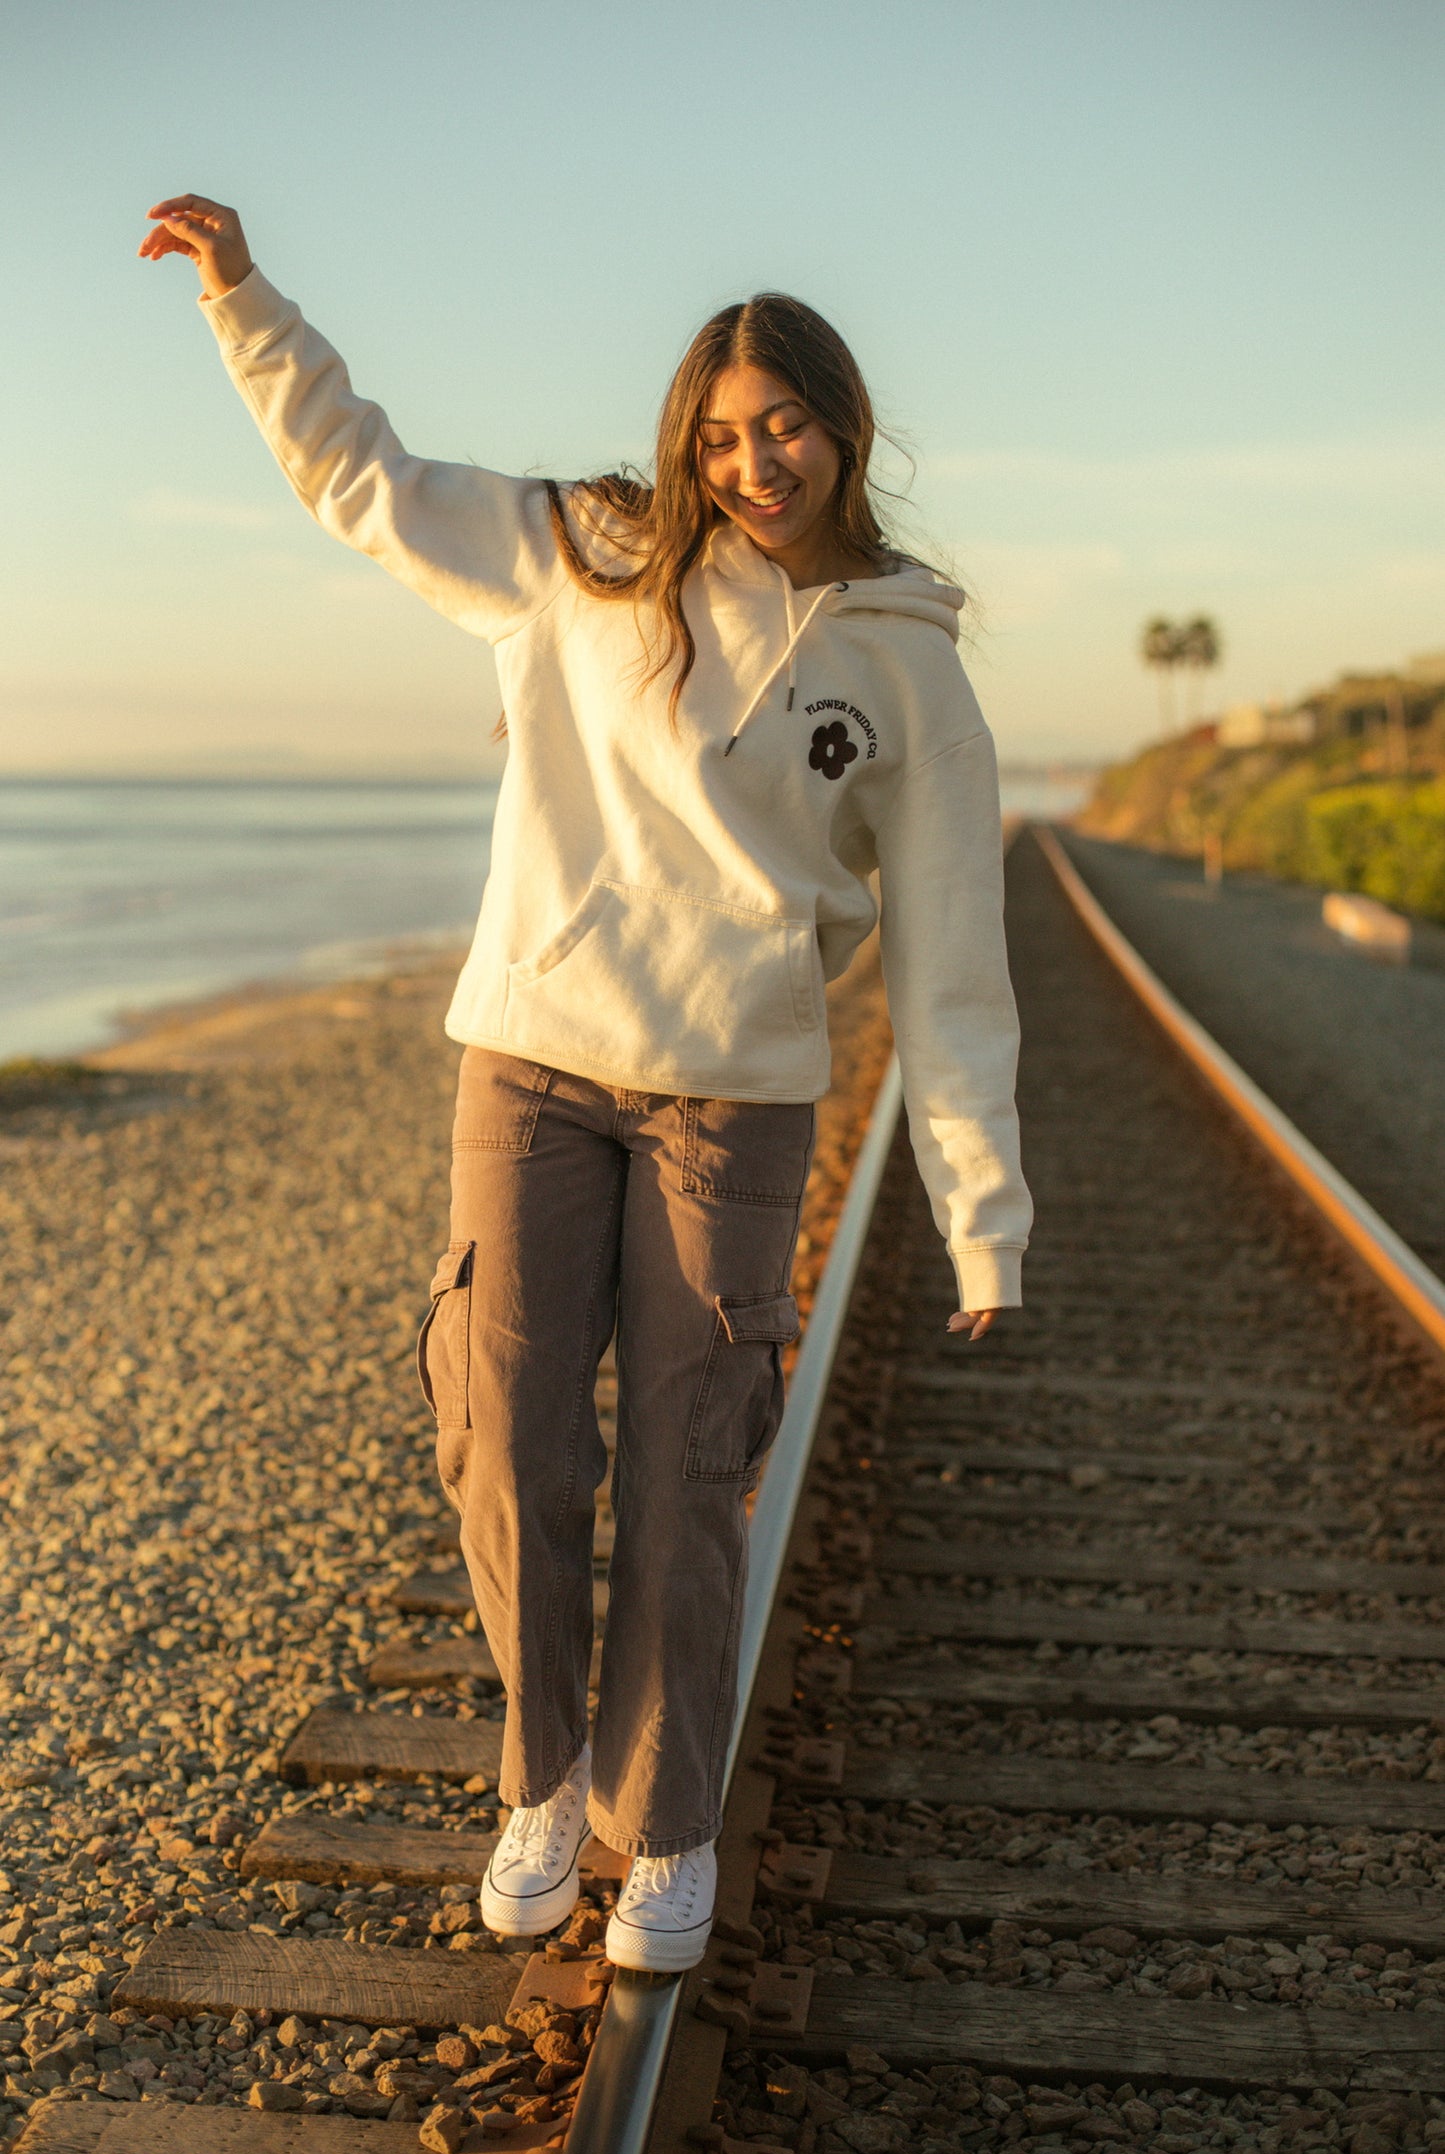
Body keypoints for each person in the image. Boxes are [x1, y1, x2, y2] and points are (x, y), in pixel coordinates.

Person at [139, 194, 1033, 1972]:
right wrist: (246, 299)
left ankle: (671, 1829)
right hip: (531, 1072)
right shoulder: (587, 553)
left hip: (732, 1101)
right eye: (719, 432)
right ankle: (544, 1785)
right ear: (680, 442)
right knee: (512, 1444)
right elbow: (361, 478)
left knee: (691, 1473)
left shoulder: (908, 664)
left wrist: (980, 1212)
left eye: (781, 422)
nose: (753, 459)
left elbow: (948, 956)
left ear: (842, 423)